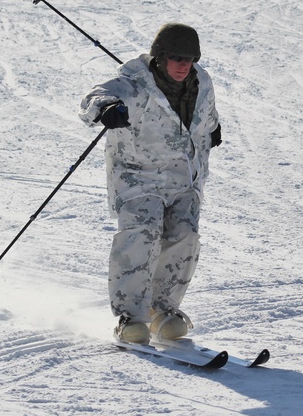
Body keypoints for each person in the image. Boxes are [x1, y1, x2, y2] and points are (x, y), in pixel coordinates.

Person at [80, 23, 222, 344]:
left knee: (184, 236)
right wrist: (106, 109)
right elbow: (94, 96)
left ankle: (163, 310)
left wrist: (213, 127)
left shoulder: (202, 82)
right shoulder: (136, 84)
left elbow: (206, 112)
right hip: (138, 176)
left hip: (185, 178)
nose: (183, 65)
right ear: (159, 56)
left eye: (189, 58)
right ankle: (131, 316)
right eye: (175, 57)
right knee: (142, 234)